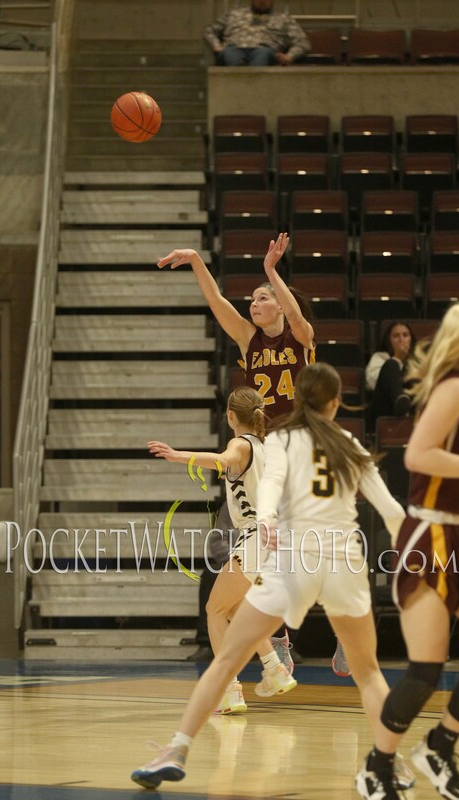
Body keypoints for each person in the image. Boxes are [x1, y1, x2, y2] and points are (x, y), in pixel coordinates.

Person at [131, 362, 415, 792]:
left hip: (291, 554)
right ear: (338, 403)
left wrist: (263, 521)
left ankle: (177, 748)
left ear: (297, 401)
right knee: (370, 673)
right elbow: (393, 512)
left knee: (226, 652)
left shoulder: (281, 440)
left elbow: (267, 499)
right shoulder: (351, 444)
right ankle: (394, 764)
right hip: (344, 562)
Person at [157, 232, 346, 674]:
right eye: (254, 300)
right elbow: (218, 302)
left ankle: (339, 623)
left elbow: (298, 318)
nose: (253, 305)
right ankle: (276, 633)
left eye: (262, 300)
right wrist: (196, 262)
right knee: (260, 544)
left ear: (280, 304)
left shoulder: (301, 338)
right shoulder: (249, 341)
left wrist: (271, 272)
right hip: (265, 456)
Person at [357, 301, 459, 800]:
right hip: (433, 540)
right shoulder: (455, 387)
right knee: (425, 670)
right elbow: (418, 456)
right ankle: (378, 765)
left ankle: (440, 745)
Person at [148, 386, 296, 714]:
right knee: (235, 611)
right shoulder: (266, 448)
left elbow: (222, 461)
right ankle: (274, 670)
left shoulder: (240, 444)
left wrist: (177, 455)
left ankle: (230, 691)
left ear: (230, 416)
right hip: (274, 540)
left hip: (256, 538)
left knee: (214, 611)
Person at [203, 0, 311, 67]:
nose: (262, 1)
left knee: (261, 55)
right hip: (233, 47)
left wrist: (289, 56)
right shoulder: (233, 14)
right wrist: (216, 46)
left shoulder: (284, 19)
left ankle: (253, 91)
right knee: (230, 55)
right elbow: (209, 31)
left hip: (264, 50)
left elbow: (302, 42)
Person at [366, 321, 417, 425]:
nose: (401, 340)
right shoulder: (379, 357)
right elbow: (372, 383)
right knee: (391, 365)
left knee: (413, 370)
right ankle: (400, 401)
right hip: (385, 410)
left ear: (411, 339)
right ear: (388, 340)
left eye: (405, 335)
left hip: (412, 409)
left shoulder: (416, 361)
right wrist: (397, 358)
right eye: (396, 336)